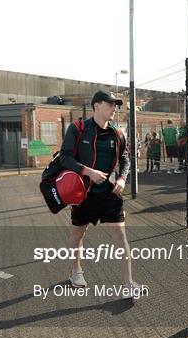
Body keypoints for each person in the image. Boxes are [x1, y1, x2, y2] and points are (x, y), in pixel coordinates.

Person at [60, 91, 141, 296]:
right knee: (78, 233)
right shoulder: (78, 129)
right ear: (96, 105)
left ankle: (128, 284)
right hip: (83, 194)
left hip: (109, 194)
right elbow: (65, 158)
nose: (114, 108)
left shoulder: (117, 133)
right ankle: (76, 271)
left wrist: (122, 178)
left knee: (121, 236)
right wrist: (88, 172)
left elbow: (125, 159)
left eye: (116, 105)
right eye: (110, 104)